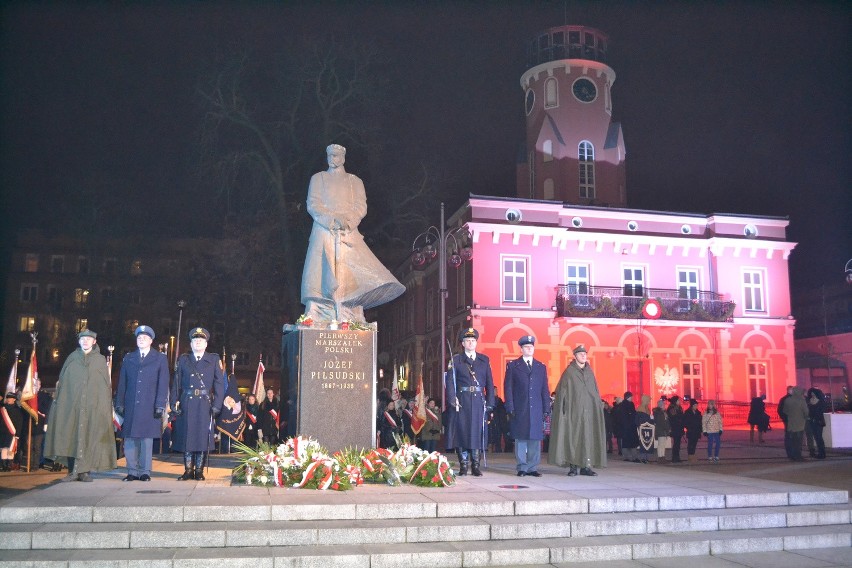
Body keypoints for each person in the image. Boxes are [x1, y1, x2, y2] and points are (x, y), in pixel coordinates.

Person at [300, 143, 405, 323]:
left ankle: (349, 309)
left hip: (348, 232)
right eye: (330, 156)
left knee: (351, 273)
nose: (332, 159)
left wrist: (348, 222)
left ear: (343, 157)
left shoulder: (354, 181)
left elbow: (360, 206)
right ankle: (317, 310)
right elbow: (313, 204)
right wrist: (331, 220)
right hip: (323, 230)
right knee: (318, 272)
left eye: (336, 155)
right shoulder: (318, 178)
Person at [44, 329, 117, 482]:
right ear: (79, 341)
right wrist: (62, 405)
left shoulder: (99, 361)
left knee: (88, 437)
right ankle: (72, 471)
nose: (85, 341)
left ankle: (84, 472)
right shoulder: (72, 359)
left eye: (89, 339)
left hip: (92, 408)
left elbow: (104, 387)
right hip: (72, 407)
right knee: (72, 435)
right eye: (83, 339)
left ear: (94, 342)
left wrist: (103, 408)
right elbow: (64, 384)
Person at [114, 325, 169, 482]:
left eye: (144, 338)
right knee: (130, 439)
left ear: (151, 341)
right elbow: (122, 383)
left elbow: (163, 383)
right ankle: (132, 471)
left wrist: (160, 404)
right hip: (131, 404)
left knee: (146, 439)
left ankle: (144, 472)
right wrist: (120, 403)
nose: (141, 340)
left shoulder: (160, 359)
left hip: (149, 405)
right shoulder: (129, 358)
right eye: (139, 338)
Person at [171, 327, 225, 481]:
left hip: (204, 404)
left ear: (206, 344)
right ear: (191, 343)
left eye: (201, 340)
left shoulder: (213, 359)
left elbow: (219, 384)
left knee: (201, 437)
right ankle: (188, 470)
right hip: (187, 402)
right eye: (195, 340)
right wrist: (174, 401)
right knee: (188, 436)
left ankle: (199, 470)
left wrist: (217, 405)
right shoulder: (184, 360)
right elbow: (176, 382)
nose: (198, 342)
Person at [548, 345, 607, 476]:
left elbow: (594, 392)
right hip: (573, 413)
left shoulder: (590, 372)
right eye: (580, 354)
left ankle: (586, 467)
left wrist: (597, 407)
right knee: (573, 438)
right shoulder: (569, 372)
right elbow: (562, 393)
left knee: (588, 438)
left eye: (585, 354)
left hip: (589, 413)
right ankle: (573, 466)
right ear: (575, 356)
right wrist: (563, 411)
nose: (583, 356)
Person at [445, 328, 495, 476]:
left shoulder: (484, 360)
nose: (470, 343)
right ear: (463, 343)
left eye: (473, 341)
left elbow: (490, 384)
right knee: (462, 433)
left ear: (476, 343)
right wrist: (452, 399)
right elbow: (450, 382)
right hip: (462, 401)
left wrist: (490, 402)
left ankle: (476, 465)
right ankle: (463, 465)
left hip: (479, 401)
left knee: (477, 433)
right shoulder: (456, 360)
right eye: (467, 341)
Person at [504, 335, 551, 477]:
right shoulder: (513, 366)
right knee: (521, 438)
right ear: (521, 349)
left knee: (535, 439)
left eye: (531, 347)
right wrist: (510, 407)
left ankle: (532, 467)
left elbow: (544, 389)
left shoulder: (540, 367)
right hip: (520, 408)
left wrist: (546, 408)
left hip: (536, 408)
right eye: (526, 347)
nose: (529, 349)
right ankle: (522, 467)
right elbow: (508, 389)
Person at [780, 386, 808, 462]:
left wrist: (787, 418)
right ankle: (798, 456)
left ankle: (791, 455)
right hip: (799, 423)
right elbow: (806, 412)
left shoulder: (787, 400)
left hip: (790, 423)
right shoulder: (801, 400)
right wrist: (805, 417)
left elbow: (784, 411)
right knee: (798, 441)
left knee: (791, 440)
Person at [1, 392, 24, 472]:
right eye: (7, 398)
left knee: (11, 449)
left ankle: (9, 464)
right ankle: (4, 465)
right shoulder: (3, 409)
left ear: (14, 399)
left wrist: (18, 434)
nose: (8, 399)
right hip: (3, 432)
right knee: (4, 448)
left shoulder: (17, 410)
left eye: (10, 398)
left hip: (12, 432)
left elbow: (19, 422)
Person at [618, 392, 640, 462]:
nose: (632, 398)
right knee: (628, 442)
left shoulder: (629, 404)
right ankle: (629, 457)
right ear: (628, 397)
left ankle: (631, 457)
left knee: (630, 442)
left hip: (629, 426)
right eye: (631, 397)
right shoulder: (625, 405)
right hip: (628, 426)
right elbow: (625, 416)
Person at [806, 388, 827, 460]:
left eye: (814, 394)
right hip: (812, 421)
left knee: (819, 437)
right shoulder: (810, 401)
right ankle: (820, 453)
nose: (812, 395)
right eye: (811, 394)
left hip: (818, 422)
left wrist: (815, 416)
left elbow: (822, 411)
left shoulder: (820, 402)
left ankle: (822, 453)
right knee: (816, 437)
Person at [634, 394, 654, 464]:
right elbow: (638, 420)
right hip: (643, 430)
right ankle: (643, 458)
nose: (649, 402)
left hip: (648, 429)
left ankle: (646, 458)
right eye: (648, 400)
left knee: (648, 442)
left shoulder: (647, 408)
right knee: (643, 443)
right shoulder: (640, 409)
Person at [683, 398, 703, 462]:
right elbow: (685, 421)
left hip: (696, 431)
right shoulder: (687, 412)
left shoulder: (698, 413)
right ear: (692, 406)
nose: (696, 406)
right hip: (691, 431)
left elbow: (700, 421)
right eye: (695, 405)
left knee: (694, 444)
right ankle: (690, 456)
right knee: (690, 444)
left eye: (697, 405)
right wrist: (689, 427)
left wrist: (701, 429)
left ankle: (693, 455)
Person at [666, 396, 685, 463]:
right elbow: (673, 418)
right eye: (678, 400)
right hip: (675, 428)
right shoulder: (672, 408)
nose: (679, 402)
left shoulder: (679, 408)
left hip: (679, 428)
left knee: (678, 443)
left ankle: (677, 457)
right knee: (676, 443)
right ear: (675, 401)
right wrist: (680, 420)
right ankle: (674, 457)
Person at [652, 397, 671, 463]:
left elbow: (666, 421)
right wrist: (667, 428)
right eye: (663, 405)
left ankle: (662, 456)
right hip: (661, 430)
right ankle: (660, 456)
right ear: (661, 406)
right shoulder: (659, 413)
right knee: (660, 444)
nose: (664, 406)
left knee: (663, 444)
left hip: (663, 430)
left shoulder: (663, 412)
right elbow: (662, 422)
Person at [778, 386, 794, 459]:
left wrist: (784, 418)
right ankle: (792, 453)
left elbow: (779, 410)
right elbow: (780, 410)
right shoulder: (788, 399)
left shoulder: (783, 399)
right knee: (791, 436)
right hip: (791, 420)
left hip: (789, 420)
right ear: (789, 390)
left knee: (789, 436)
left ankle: (790, 453)